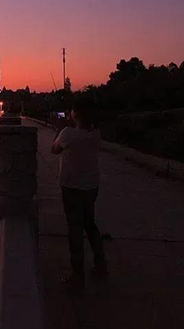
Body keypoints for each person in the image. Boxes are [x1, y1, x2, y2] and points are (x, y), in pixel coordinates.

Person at [51, 98, 108, 294]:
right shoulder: (96, 133)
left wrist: (59, 129)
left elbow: (54, 149)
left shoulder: (68, 133)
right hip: (91, 186)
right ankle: (101, 266)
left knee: (74, 230)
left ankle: (78, 277)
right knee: (90, 224)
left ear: (76, 114)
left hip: (72, 187)